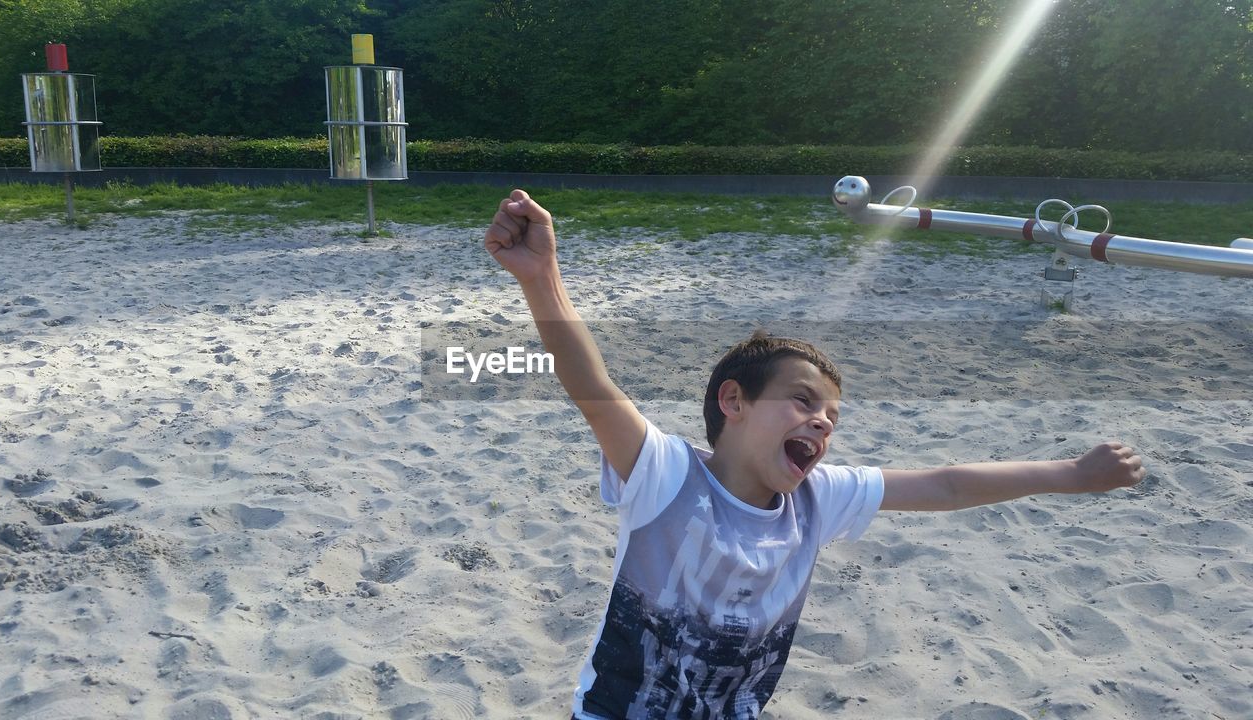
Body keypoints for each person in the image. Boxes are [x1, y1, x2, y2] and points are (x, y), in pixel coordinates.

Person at [483, 189, 1146, 719]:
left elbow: (945, 486)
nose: (821, 423)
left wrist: (1071, 475)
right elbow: (591, 384)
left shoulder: (813, 499)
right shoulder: (665, 475)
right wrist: (543, 278)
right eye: (803, 401)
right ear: (733, 402)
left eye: (831, 416)